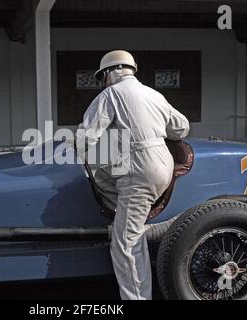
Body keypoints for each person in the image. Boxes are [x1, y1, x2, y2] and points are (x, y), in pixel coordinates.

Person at [75, 50, 190, 300]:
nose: (102, 82)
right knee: (127, 219)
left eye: (102, 77)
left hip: (139, 168)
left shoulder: (110, 94)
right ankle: (127, 219)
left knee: (125, 243)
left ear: (109, 72)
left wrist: (77, 154)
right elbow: (182, 126)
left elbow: (86, 137)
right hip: (163, 163)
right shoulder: (154, 94)